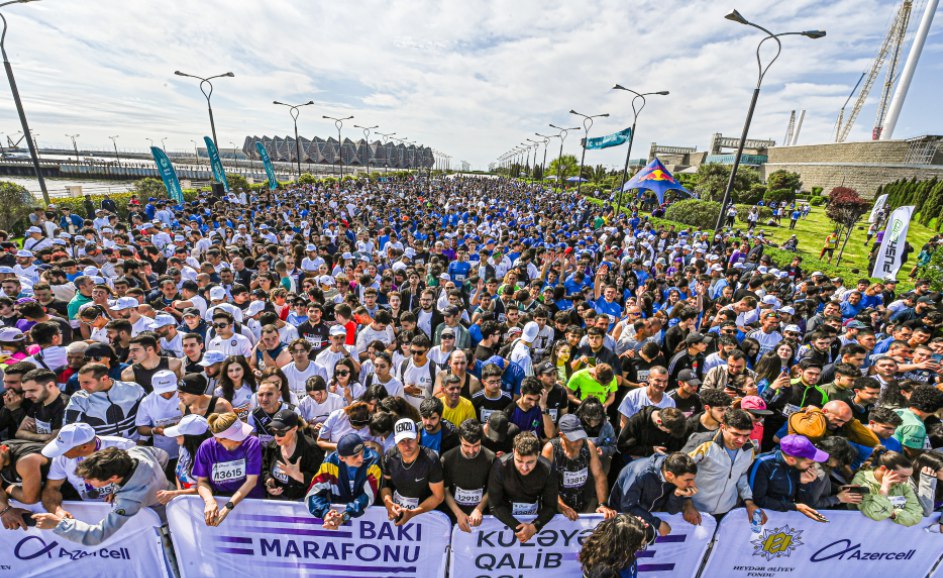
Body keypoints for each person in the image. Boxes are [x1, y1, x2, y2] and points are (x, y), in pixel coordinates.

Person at [32, 446, 170, 545]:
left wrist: (58, 524)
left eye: (90, 480)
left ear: (114, 477)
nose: (85, 482)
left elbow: (96, 535)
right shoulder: (137, 452)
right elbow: (163, 455)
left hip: (167, 524)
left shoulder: (129, 501)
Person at [686, 408, 765, 522]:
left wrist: (749, 502)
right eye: (736, 434)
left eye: (746, 435)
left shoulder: (749, 449)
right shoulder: (703, 443)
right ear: (723, 427)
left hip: (726, 513)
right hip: (695, 510)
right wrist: (686, 504)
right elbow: (680, 474)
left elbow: (741, 476)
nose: (741, 440)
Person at [192, 412, 264, 526]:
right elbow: (202, 482)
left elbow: (251, 481)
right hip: (220, 506)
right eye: (236, 437)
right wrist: (209, 501)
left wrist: (227, 508)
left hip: (251, 503)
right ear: (219, 439)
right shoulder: (206, 447)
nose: (243, 437)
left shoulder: (252, 443)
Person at [487, 431, 558, 544]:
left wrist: (534, 527)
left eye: (530, 462)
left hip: (536, 519)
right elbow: (495, 505)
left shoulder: (546, 469)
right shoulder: (500, 466)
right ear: (514, 451)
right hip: (506, 519)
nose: (524, 467)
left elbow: (551, 505)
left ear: (538, 454)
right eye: (519, 461)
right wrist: (519, 529)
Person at [541, 414, 615, 519]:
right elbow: (545, 484)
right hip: (556, 507)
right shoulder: (551, 450)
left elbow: (599, 476)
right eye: (573, 439)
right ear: (562, 435)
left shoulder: (588, 446)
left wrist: (602, 504)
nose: (579, 442)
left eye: (580, 436)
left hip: (583, 502)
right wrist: (562, 507)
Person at [608, 452, 699, 536]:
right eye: (688, 480)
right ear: (670, 475)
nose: (692, 484)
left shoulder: (674, 471)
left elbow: (672, 511)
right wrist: (657, 524)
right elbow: (628, 506)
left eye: (692, 479)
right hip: (620, 519)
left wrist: (676, 495)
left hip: (646, 517)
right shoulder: (640, 473)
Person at [306, 433, 382, 529]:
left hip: (368, 519)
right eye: (355, 456)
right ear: (341, 458)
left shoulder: (373, 460)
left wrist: (345, 516)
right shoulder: (330, 463)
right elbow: (313, 493)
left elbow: (368, 495)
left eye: (362, 453)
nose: (361, 459)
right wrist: (325, 514)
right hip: (338, 518)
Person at [380, 419, 445, 526]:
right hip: (398, 511)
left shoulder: (431, 460)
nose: (406, 446)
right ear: (395, 441)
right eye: (402, 441)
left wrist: (414, 513)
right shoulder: (389, 456)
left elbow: (438, 497)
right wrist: (389, 503)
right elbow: (385, 485)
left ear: (418, 437)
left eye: (410, 439)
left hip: (424, 515)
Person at [749, 434, 828, 521]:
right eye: (809, 463)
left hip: (787, 518)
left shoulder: (799, 467)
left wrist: (804, 484)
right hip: (762, 521)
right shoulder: (762, 463)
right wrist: (794, 507)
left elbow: (807, 502)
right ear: (791, 460)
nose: (812, 467)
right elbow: (757, 500)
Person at [65, 362, 146, 439]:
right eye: (80, 382)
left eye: (86, 382)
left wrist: (143, 440)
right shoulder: (78, 399)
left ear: (104, 378)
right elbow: (73, 430)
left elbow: (149, 416)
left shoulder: (134, 389)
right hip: (101, 450)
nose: (82, 387)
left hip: (137, 445)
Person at [441, 419, 495, 532]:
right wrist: (458, 513)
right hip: (454, 516)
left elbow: (492, 489)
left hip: (481, 518)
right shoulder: (447, 458)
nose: (471, 451)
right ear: (460, 439)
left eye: (476, 445)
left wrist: (478, 509)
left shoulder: (490, 458)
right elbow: (445, 490)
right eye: (466, 445)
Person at [262, 409, 324, 500]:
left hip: (302, 501)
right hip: (277, 499)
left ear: (294, 429)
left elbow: (321, 481)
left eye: (281, 432)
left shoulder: (310, 449)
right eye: (273, 431)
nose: (276, 436)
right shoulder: (273, 446)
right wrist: (269, 481)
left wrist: (297, 475)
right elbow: (265, 467)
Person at [852, 446, 922, 526]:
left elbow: (916, 516)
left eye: (908, 476)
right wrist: (884, 490)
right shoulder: (861, 481)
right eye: (903, 476)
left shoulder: (903, 484)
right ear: (883, 469)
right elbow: (875, 514)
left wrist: (893, 514)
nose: (906, 481)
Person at [579, 514, 655, 578]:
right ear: (627, 543)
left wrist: (636, 525)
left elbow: (651, 534)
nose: (642, 544)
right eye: (639, 540)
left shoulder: (624, 553)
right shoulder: (603, 571)